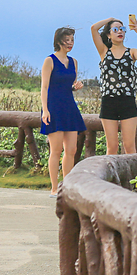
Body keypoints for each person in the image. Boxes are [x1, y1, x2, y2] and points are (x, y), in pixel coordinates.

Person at [91, 15, 137, 154]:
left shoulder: (132, 52)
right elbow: (93, 28)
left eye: (122, 29)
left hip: (127, 101)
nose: (120, 32)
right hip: (108, 101)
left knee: (129, 146)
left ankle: (132, 176)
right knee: (112, 146)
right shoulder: (104, 52)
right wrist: (109, 19)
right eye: (115, 29)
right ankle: (111, 176)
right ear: (109, 35)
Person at [40, 27, 86, 196]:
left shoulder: (73, 62)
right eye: (67, 40)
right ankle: (54, 188)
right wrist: (45, 110)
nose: (70, 43)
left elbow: (69, 86)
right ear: (58, 41)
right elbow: (44, 87)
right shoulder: (49, 61)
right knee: (56, 150)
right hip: (53, 107)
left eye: (72, 40)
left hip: (69, 106)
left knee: (72, 149)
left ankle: (66, 187)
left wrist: (76, 87)